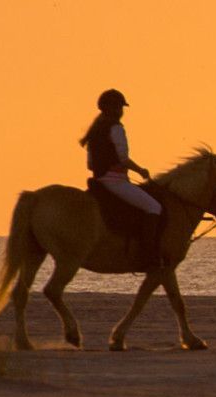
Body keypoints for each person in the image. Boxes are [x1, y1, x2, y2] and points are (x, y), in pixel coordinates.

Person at [79, 88, 165, 267]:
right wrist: (141, 170)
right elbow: (123, 159)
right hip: (115, 181)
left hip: (99, 181)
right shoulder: (116, 128)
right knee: (154, 207)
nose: (122, 112)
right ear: (115, 109)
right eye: (120, 108)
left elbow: (90, 165)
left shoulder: (95, 130)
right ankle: (148, 254)